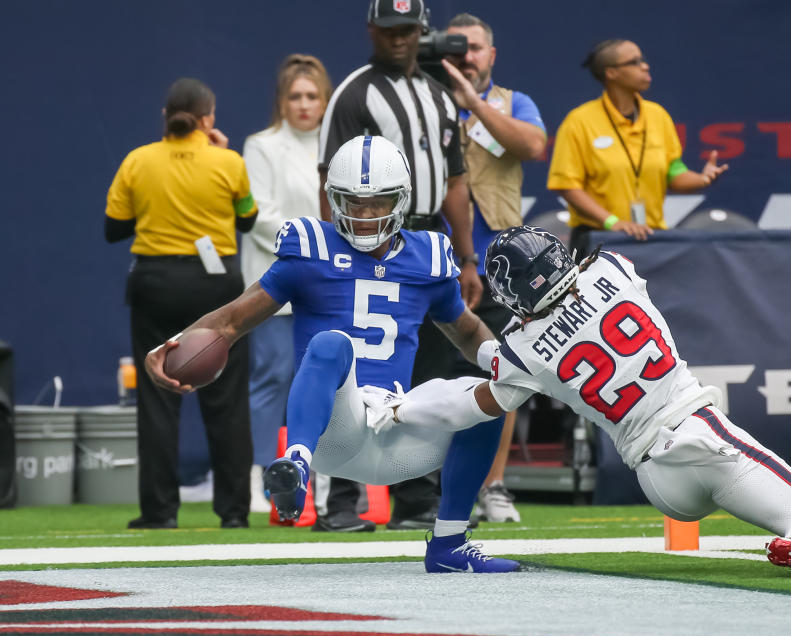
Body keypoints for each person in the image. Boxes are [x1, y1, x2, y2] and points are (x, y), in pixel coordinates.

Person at [363, 226, 791, 577]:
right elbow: (579, 314)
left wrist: (401, 408)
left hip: (654, 476)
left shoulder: (523, 350)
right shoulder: (615, 268)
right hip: (694, 432)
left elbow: (467, 404)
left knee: (788, 499)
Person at [144, 135, 519, 573]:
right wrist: (168, 346)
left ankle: (449, 545)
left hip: (401, 432)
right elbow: (229, 322)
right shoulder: (309, 250)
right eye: (352, 202)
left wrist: (509, 365)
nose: (364, 214)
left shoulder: (428, 257)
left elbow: (468, 330)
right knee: (331, 342)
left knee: (491, 393)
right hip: (332, 434)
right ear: (332, 199)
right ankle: (296, 468)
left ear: (400, 201)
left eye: (377, 202)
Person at [314, 0, 483, 531]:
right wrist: (337, 251)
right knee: (358, 366)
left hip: (427, 236)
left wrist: (467, 253)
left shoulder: (438, 95)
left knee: (427, 369)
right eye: (389, 29)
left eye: (408, 29)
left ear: (422, 30)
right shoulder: (355, 91)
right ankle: (342, 502)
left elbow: (456, 181)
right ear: (371, 30)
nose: (399, 39)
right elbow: (331, 179)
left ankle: (417, 503)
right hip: (366, 234)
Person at [105, 77, 258, 529]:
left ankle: (158, 512)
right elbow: (247, 219)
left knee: (157, 400)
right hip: (217, 288)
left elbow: (114, 228)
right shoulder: (229, 162)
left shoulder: (138, 160)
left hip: (156, 285)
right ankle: (233, 513)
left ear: (165, 117)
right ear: (207, 119)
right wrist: (220, 153)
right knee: (227, 401)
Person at [441, 12, 548, 522]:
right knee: (434, 371)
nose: (468, 56)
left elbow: (532, 146)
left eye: (476, 47)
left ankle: (495, 484)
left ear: (492, 54)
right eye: (459, 48)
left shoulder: (513, 102)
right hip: (436, 253)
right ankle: (422, 488)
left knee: (502, 372)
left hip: (505, 263)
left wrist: (474, 104)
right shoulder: (426, 102)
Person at [242, 54, 333, 514]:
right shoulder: (261, 145)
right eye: (295, 96)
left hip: (326, 284)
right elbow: (260, 215)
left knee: (322, 380)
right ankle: (261, 478)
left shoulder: (335, 144)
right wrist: (316, 244)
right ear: (282, 100)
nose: (304, 104)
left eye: (312, 96)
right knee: (273, 377)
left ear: (325, 99)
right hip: (275, 285)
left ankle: (320, 480)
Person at [548, 39, 729, 259]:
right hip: (598, 240)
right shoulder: (579, 121)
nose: (645, 66)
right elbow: (567, 186)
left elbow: (674, 172)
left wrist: (701, 179)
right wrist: (613, 223)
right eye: (634, 62)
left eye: (643, 60)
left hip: (650, 238)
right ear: (611, 73)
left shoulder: (658, 116)